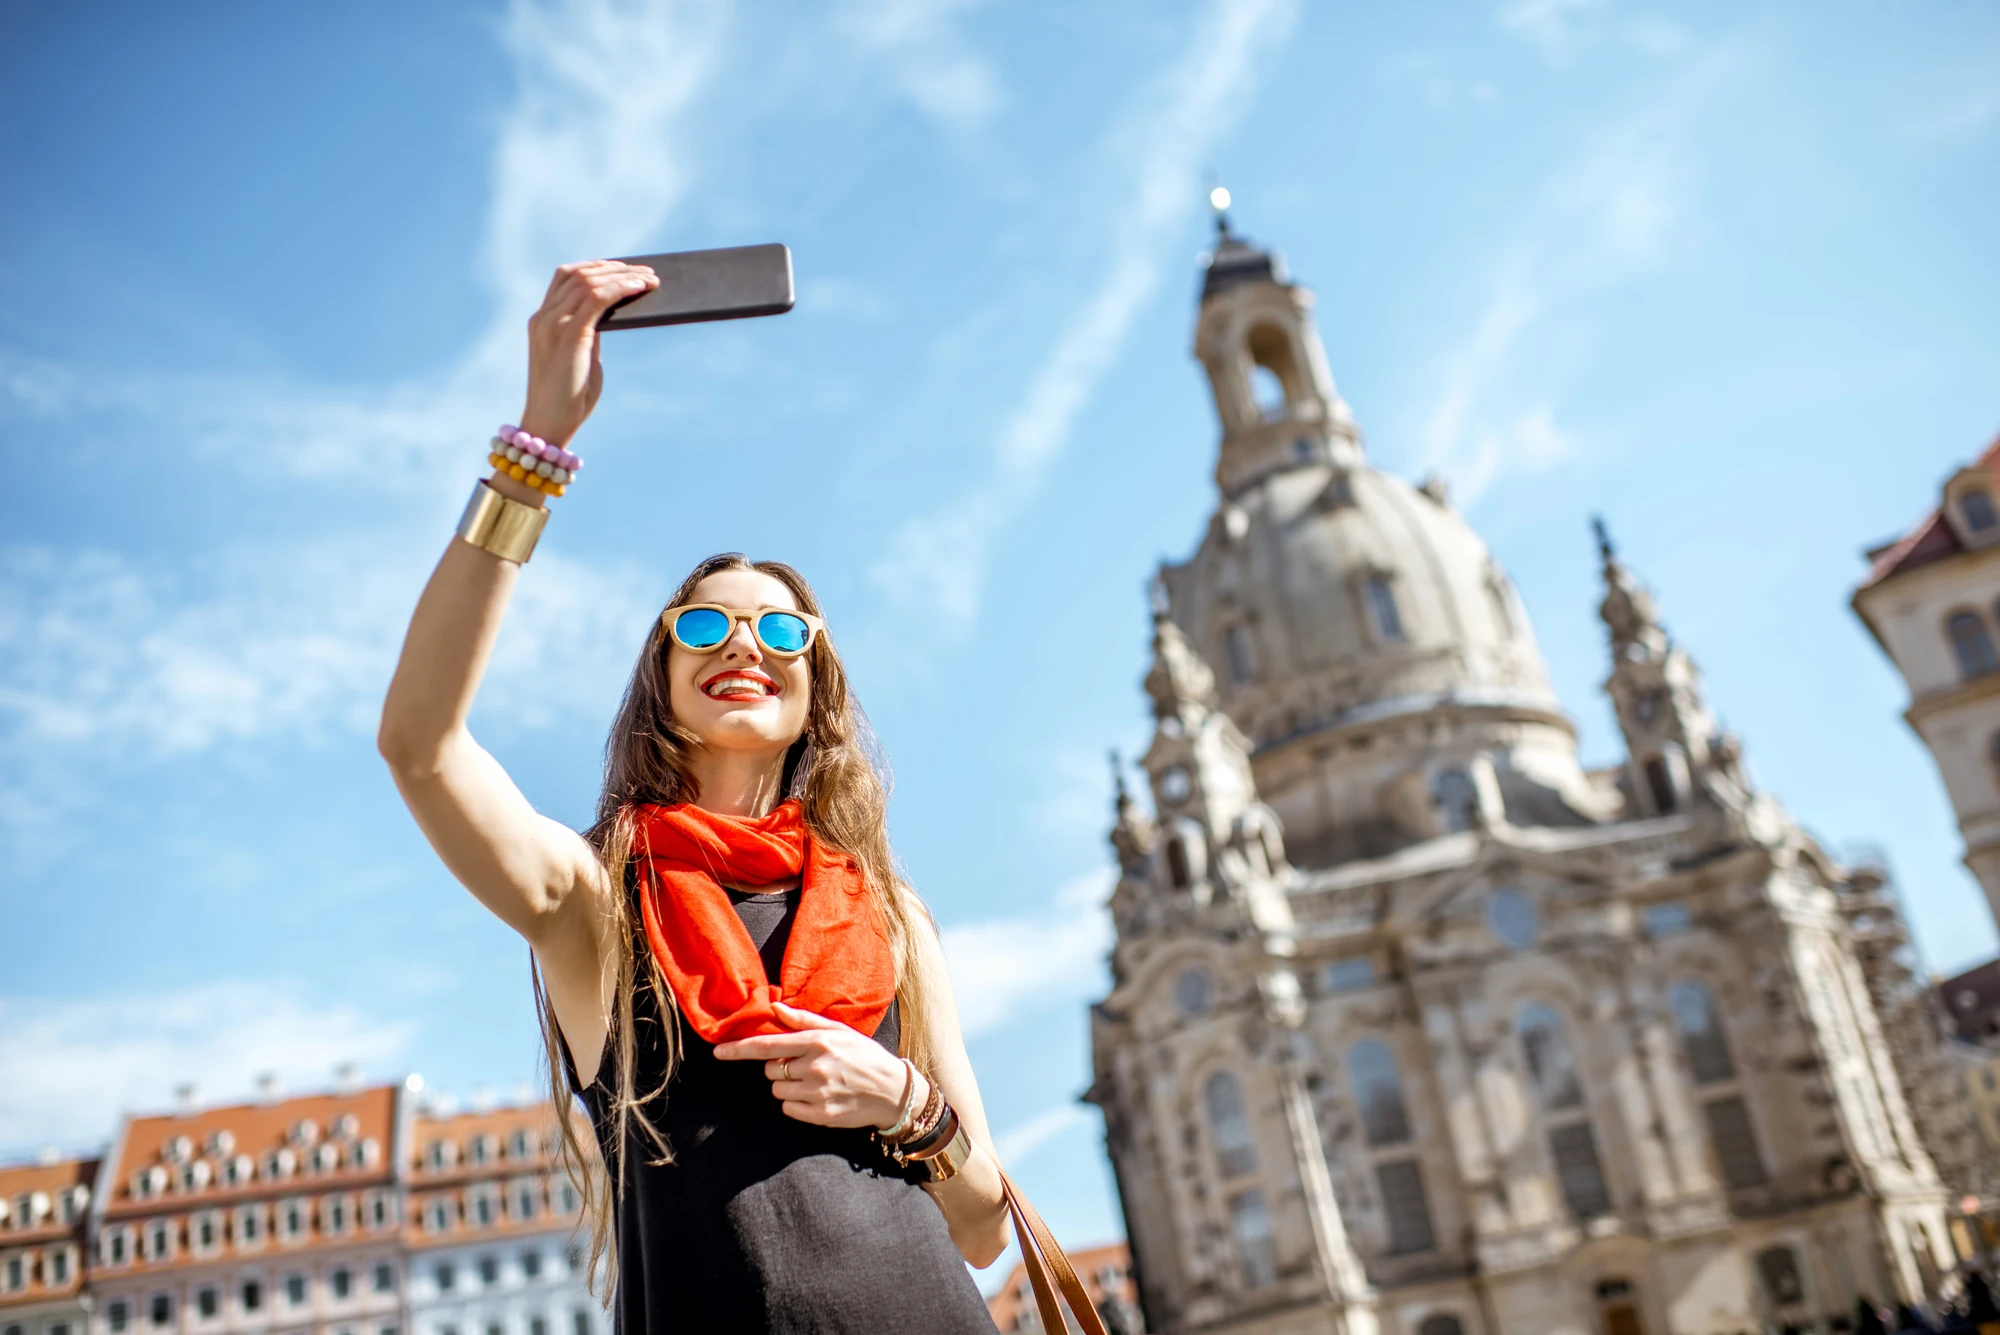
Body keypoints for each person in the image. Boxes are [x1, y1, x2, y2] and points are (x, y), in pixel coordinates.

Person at [378, 260, 1009, 1332]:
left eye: (781, 630)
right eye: (705, 628)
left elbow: (984, 1225)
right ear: (661, 686)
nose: (744, 644)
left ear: (817, 693)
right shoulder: (595, 899)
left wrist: (904, 1102)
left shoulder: (891, 915)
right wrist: (536, 447)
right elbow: (420, 743)